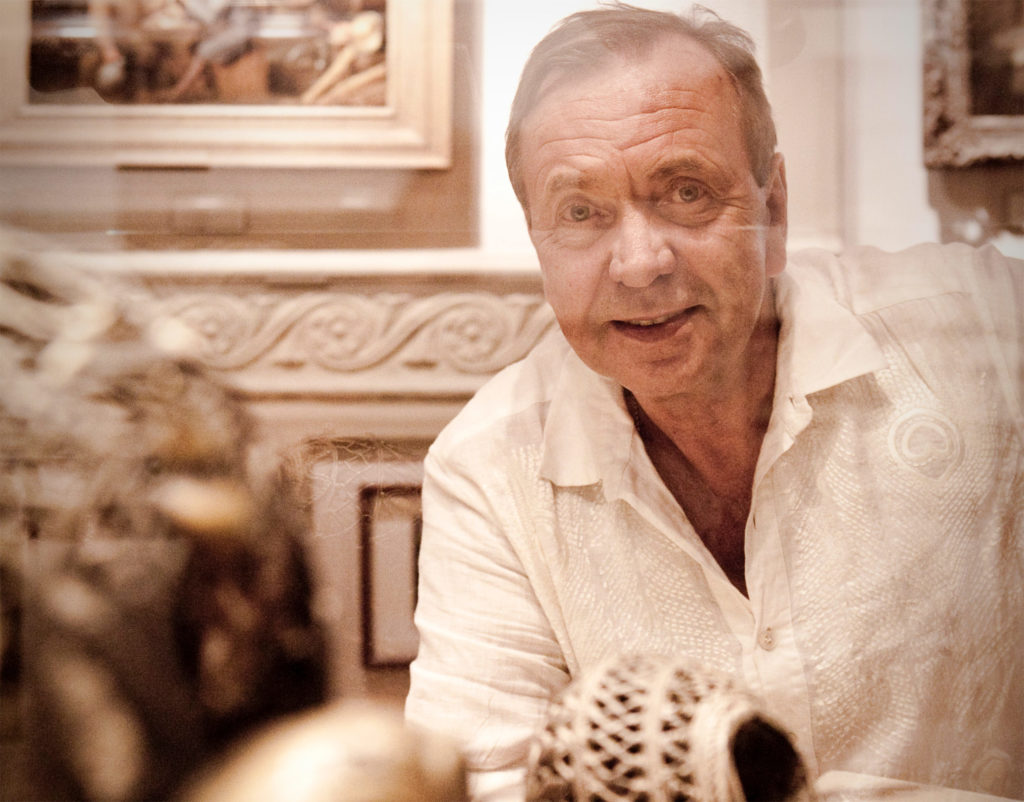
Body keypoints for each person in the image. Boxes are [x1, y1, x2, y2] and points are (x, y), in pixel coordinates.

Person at [405, 3, 1023, 801]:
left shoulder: (985, 335)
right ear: (537, 240)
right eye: (581, 213)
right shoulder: (488, 465)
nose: (638, 263)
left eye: (685, 192)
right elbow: (481, 782)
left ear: (773, 209)